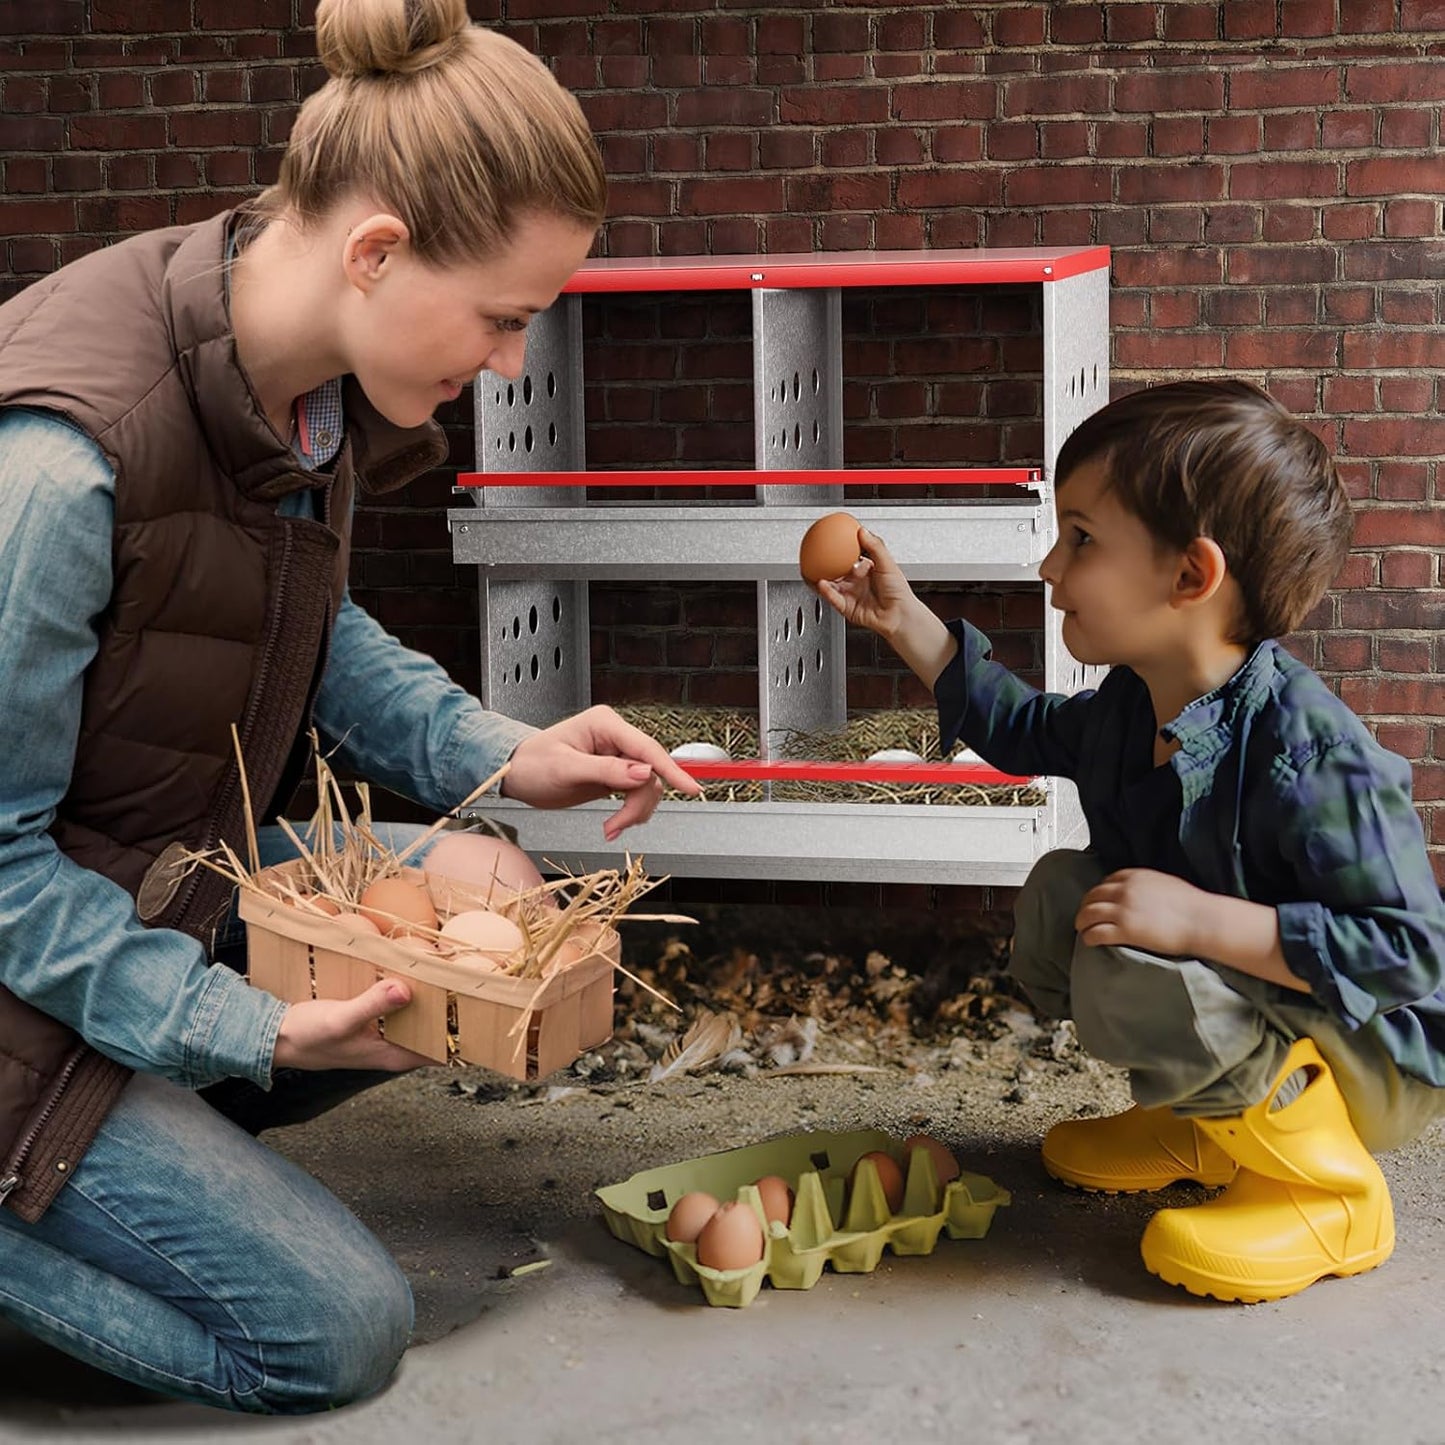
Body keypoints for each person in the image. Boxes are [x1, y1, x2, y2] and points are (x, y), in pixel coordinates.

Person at [0, 0, 700, 1415]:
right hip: (33, 923)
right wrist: (231, 1025)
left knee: (461, 912)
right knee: (332, 1332)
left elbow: (300, 628)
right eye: (504, 318)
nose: (509, 363)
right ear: (378, 250)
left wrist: (504, 757)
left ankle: (141, 1133)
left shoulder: (295, 393)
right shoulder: (60, 463)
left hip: (131, 877)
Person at [820, 379, 1445, 1304]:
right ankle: (1199, 1127)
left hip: (1370, 1048)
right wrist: (901, 616)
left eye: (1081, 538)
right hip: (1272, 1013)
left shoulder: (1308, 753)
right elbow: (1023, 724)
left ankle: (1327, 1191)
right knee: (1067, 894)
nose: (1049, 567)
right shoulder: (1130, 704)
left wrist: (1201, 921)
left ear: (1190, 576)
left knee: (1136, 954)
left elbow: (1411, 950)